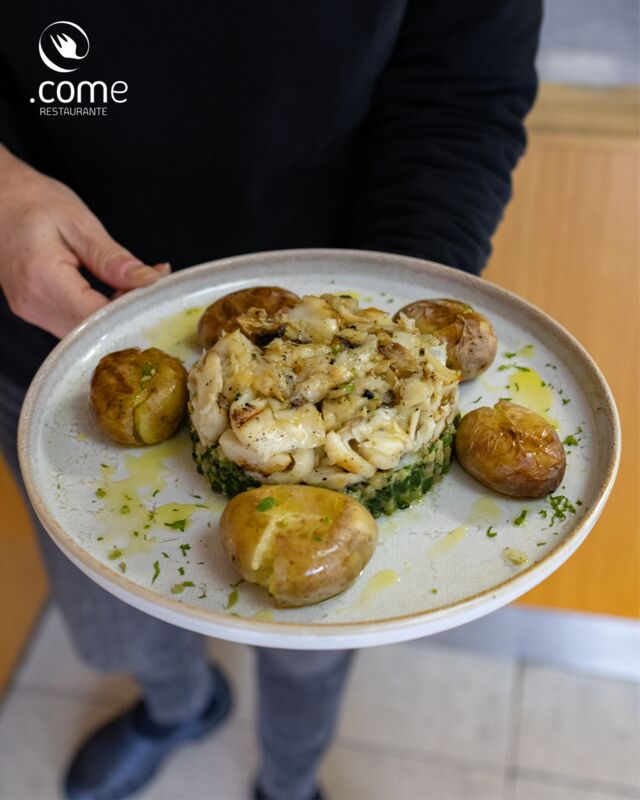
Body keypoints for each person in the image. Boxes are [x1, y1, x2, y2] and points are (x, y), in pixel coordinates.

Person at [0, 2, 541, 798]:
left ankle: (289, 779)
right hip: (49, 323)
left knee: (313, 639)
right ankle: (175, 709)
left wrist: (398, 324)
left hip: (342, 266)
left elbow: (460, 91)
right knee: (112, 608)